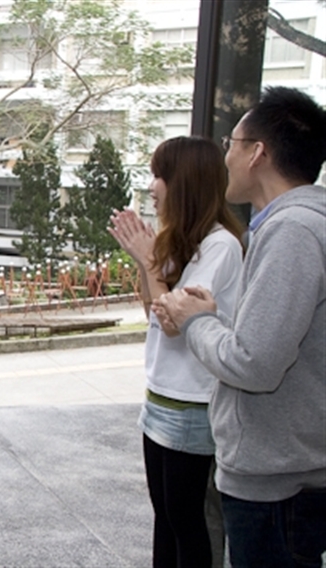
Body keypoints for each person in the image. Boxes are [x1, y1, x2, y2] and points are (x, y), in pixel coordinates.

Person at [155, 87, 326, 567]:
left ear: (257, 153)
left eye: (231, 143)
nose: (225, 156)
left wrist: (197, 321)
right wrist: (217, 319)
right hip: (291, 472)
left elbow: (254, 364)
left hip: (278, 482)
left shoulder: (293, 231)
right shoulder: (295, 224)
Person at [109, 136, 244, 567]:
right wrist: (145, 260)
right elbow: (154, 311)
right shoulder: (186, 240)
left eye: (160, 175)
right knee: (165, 518)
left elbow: (174, 322)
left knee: (187, 521)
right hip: (162, 398)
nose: (152, 186)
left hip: (192, 405)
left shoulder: (220, 246)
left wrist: (149, 260)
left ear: (184, 181)